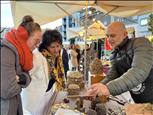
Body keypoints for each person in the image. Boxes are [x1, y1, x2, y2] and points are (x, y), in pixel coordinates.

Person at [86, 22, 153, 103]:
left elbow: (139, 71)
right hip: (139, 101)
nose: (109, 39)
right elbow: (111, 76)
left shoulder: (141, 43)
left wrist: (108, 88)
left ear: (125, 34)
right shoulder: (114, 55)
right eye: (107, 36)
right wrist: (96, 89)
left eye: (113, 35)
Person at [1, 15, 42, 115]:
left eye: (39, 42)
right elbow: (7, 90)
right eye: (36, 41)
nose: (37, 46)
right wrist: (21, 82)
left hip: (15, 106)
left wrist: (19, 78)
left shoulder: (23, 54)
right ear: (24, 37)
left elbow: (28, 77)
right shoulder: (6, 51)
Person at [21, 29, 65, 114]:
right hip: (34, 103)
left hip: (47, 98)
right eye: (52, 47)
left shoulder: (56, 56)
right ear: (46, 46)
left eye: (58, 46)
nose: (56, 50)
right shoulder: (36, 57)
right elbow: (25, 75)